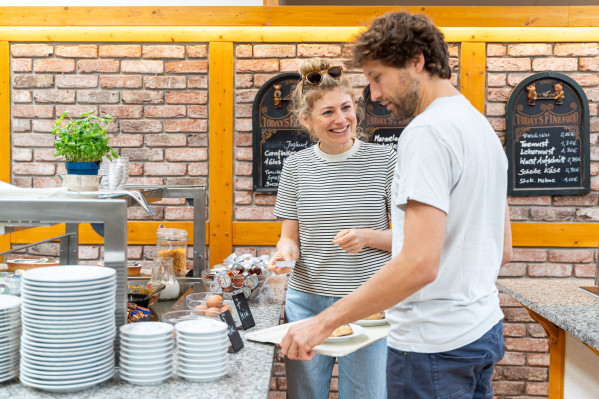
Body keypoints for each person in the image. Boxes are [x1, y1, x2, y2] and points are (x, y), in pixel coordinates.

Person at [280, 12, 513, 399]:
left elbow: (419, 262)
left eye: (376, 76)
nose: (372, 94)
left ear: (415, 62)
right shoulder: (479, 126)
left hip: (432, 346)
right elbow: (501, 249)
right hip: (480, 331)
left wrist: (322, 323)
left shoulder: (426, 132)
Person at [268, 57, 396, 399]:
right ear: (307, 120)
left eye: (346, 107)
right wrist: (284, 253)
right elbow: (289, 238)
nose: (341, 120)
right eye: (328, 112)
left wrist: (366, 237)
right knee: (305, 394)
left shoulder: (385, 161)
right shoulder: (295, 166)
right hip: (306, 302)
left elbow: (408, 239)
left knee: (367, 394)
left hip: (368, 302)